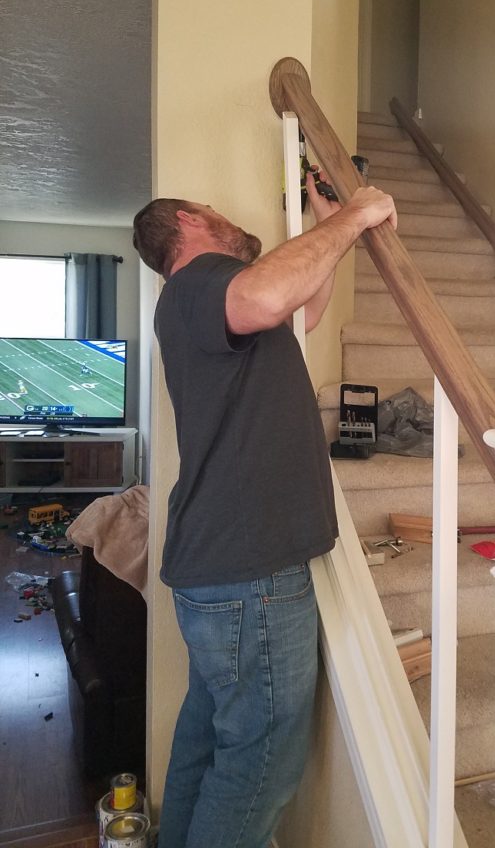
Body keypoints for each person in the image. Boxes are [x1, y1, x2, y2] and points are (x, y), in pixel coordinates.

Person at [132, 170, 397, 848]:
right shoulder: (197, 283)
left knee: (207, 740)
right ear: (187, 222)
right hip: (249, 579)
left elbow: (298, 311)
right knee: (259, 768)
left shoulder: (210, 307)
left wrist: (323, 229)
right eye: (212, 210)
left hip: (224, 575)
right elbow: (271, 293)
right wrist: (357, 217)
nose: (225, 217)